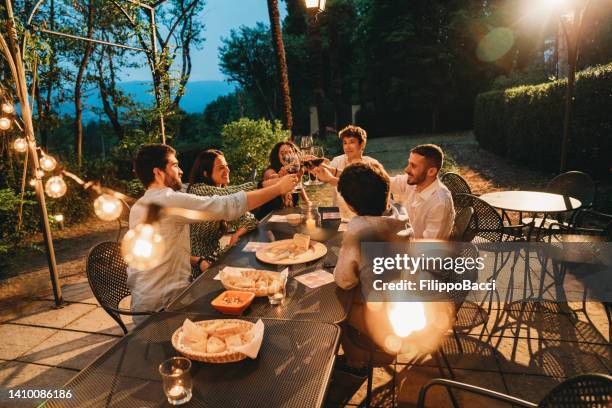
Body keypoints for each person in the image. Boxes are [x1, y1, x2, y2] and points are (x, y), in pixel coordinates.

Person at [127, 144, 298, 324]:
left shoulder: (141, 205)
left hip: (144, 303)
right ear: (158, 172)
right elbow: (226, 206)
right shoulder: (165, 201)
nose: (181, 171)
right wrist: (278, 188)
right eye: (175, 165)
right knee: (249, 311)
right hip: (164, 308)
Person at [332, 161, 411, 371]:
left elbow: (344, 280)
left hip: (378, 321)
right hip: (401, 308)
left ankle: (355, 361)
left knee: (327, 305)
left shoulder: (359, 228)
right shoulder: (400, 215)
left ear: (350, 205)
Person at [187, 149, 259, 277]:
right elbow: (230, 194)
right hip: (199, 268)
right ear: (205, 173)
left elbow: (250, 219)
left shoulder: (223, 195)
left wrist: (237, 234)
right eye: (221, 168)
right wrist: (262, 184)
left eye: (227, 166)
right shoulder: (197, 190)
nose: (227, 170)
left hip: (218, 258)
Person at [312, 125, 381, 219]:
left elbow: (362, 187)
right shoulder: (337, 161)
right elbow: (322, 177)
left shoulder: (372, 164)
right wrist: (313, 166)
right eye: (345, 143)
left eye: (352, 142)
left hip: (364, 218)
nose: (347, 147)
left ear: (362, 144)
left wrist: (331, 179)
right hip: (339, 218)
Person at [389, 144, 455, 239]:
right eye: (409, 163)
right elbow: (385, 182)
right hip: (408, 242)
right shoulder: (413, 181)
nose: (406, 170)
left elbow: (428, 246)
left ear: (431, 171)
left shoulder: (440, 203)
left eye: (413, 166)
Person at [255, 141, 310, 219]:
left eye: (290, 152)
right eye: (283, 153)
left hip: (287, 218)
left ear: (295, 155)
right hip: (268, 220)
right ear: (278, 157)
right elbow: (273, 179)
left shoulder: (295, 172)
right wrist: (280, 176)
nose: (287, 155)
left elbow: (306, 200)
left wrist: (311, 208)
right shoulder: (270, 172)